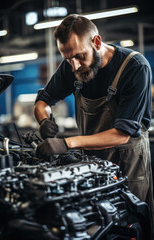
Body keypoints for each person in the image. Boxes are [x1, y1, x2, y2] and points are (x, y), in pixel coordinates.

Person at [34, 14, 154, 233]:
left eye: (80, 56)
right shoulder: (72, 66)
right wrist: (43, 119)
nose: (75, 66)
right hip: (92, 165)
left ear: (96, 42)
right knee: (95, 227)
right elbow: (42, 101)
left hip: (128, 165)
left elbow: (121, 134)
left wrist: (66, 144)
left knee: (131, 226)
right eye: (68, 59)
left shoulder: (135, 67)